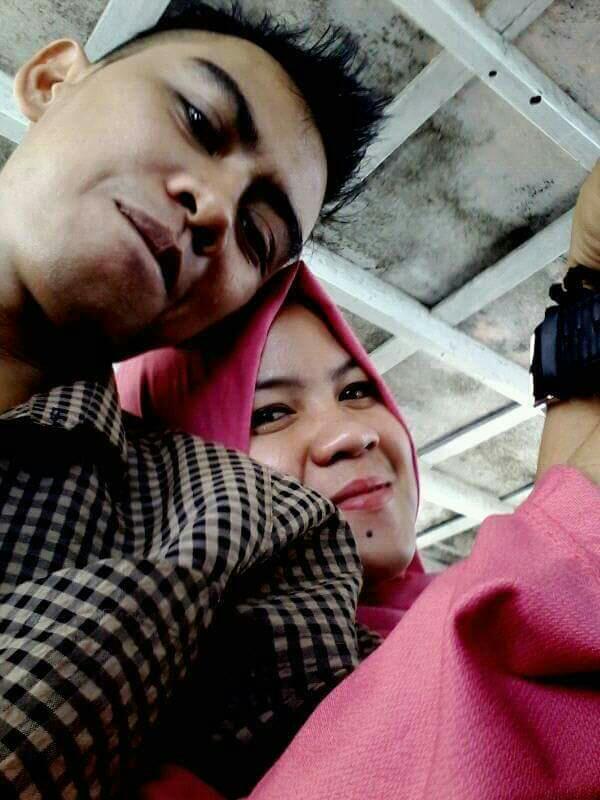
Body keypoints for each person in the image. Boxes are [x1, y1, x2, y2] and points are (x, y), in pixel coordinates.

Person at [0, 3, 388, 796]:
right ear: (50, 80)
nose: (213, 209)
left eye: (256, 235)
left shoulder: (245, 528)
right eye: (198, 121)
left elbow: (405, 737)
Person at [118, 163, 600, 798]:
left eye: (355, 391)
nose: (351, 434)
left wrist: (589, 286)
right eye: (270, 413)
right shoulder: (168, 754)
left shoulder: (472, 601)